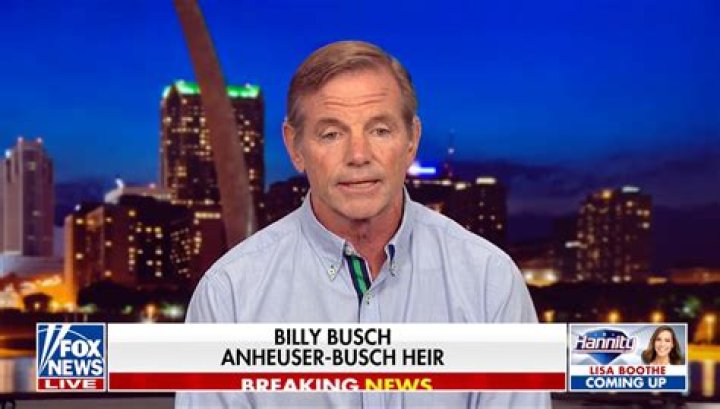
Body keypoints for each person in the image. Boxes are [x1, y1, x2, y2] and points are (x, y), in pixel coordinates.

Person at [176, 40, 549, 408]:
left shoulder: (489, 281)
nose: (358, 155)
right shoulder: (229, 296)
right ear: (294, 147)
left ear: (412, 140)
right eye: (331, 134)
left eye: (380, 130)